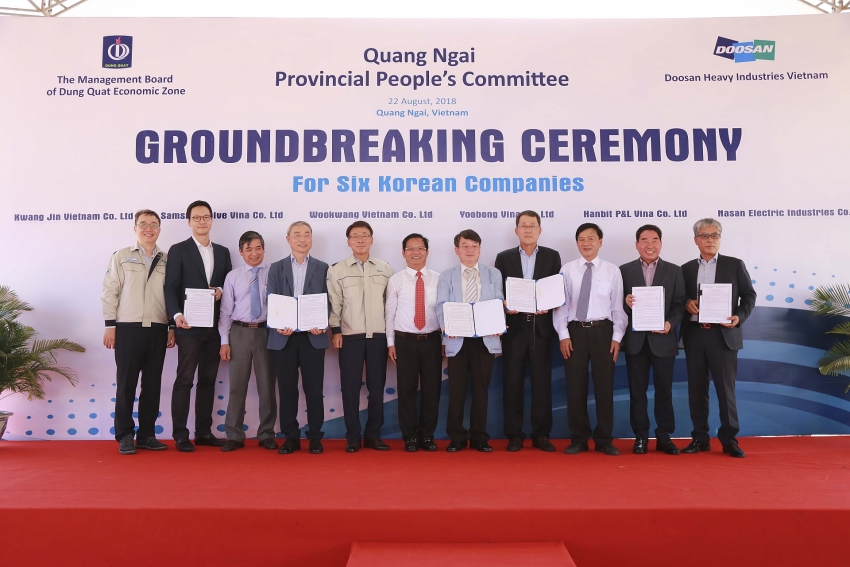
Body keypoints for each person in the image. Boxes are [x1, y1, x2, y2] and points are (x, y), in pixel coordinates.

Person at [101, 209, 175, 455]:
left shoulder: (167, 259)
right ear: (135, 228)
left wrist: (171, 327)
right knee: (126, 385)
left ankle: (146, 435)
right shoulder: (121, 256)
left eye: (153, 224)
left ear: (159, 229)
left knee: (152, 386)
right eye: (143, 224)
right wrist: (110, 326)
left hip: (158, 328)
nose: (148, 228)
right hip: (128, 328)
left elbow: (172, 295)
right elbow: (110, 291)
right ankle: (124, 435)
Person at [680, 218, 756, 458]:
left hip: (723, 336)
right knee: (696, 390)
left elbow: (749, 295)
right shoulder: (686, 269)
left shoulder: (734, 264)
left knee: (725, 391)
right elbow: (679, 299)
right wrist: (686, 303)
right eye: (704, 235)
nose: (710, 240)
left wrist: (738, 317)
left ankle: (729, 440)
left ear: (720, 239)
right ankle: (699, 438)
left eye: (715, 235)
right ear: (696, 240)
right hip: (695, 334)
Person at [553, 223, 628, 456]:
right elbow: (561, 306)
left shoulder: (612, 271)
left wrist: (617, 337)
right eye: (582, 239)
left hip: (603, 332)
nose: (586, 243)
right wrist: (563, 334)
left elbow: (618, 308)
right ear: (577, 243)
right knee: (575, 387)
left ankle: (604, 439)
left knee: (604, 387)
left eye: (591, 238)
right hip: (575, 332)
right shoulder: (567, 270)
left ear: (600, 242)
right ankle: (579, 438)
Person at [165, 200, 232, 452]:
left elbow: (228, 285)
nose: (202, 221)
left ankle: (203, 432)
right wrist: (176, 316)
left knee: (208, 380)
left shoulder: (223, 252)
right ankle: (180, 434)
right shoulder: (178, 250)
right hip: (188, 326)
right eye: (196, 217)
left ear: (212, 220)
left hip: (214, 327)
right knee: (184, 380)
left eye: (206, 217)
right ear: (189, 221)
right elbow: (171, 287)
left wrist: (221, 290)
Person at [494, 210, 562, 452]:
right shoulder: (504, 258)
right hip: (515, 327)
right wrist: (505, 305)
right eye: (523, 225)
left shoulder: (552, 256)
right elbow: (498, 292)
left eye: (532, 225)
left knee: (542, 384)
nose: (528, 229)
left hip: (541, 328)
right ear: (516, 230)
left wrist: (549, 303)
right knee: (512, 383)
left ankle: (541, 434)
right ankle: (514, 435)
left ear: (540, 230)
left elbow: (556, 290)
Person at [327, 221, 394, 452]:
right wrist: (336, 330)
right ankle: (353, 437)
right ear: (348, 242)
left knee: (377, 388)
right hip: (349, 337)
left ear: (371, 239)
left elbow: (390, 306)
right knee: (350, 388)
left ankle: (374, 435)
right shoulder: (337, 270)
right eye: (355, 236)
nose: (360, 240)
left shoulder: (385, 269)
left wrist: (391, 338)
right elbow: (335, 303)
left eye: (365, 235)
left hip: (378, 337)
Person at [620, 225, 686, 455]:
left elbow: (680, 304)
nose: (650, 245)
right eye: (644, 240)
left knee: (664, 391)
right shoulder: (624, 271)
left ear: (661, 243)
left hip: (663, 340)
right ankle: (640, 436)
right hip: (635, 342)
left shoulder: (674, 271)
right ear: (637, 244)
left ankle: (664, 436)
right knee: (637, 392)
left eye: (655, 240)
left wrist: (670, 323)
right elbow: (616, 305)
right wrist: (625, 302)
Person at [437, 229, 505, 453]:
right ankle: (456, 437)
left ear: (480, 249)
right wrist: (446, 326)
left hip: (485, 340)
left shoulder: (493, 273)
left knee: (481, 391)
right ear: (456, 250)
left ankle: (479, 437)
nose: (469, 250)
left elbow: (498, 301)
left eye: (474, 246)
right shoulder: (447, 276)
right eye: (465, 246)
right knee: (456, 391)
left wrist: (499, 321)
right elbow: (441, 304)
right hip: (457, 339)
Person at [267, 221, 330, 455]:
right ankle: (290, 437)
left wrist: (322, 324)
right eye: (297, 235)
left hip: (312, 337)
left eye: (306, 235)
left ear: (311, 239)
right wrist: (278, 323)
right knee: (287, 389)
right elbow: (271, 298)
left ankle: (315, 437)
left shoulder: (323, 268)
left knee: (314, 389)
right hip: (284, 337)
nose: (302, 239)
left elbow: (329, 300)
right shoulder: (276, 267)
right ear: (288, 239)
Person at [218, 231, 277, 453]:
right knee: (237, 386)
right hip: (239, 332)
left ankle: (267, 433)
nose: (254, 253)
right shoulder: (232, 276)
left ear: (264, 249)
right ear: (241, 252)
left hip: (266, 332)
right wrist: (224, 341)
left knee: (267, 386)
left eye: (258, 248)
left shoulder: (274, 273)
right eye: (249, 249)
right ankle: (234, 434)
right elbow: (225, 312)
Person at [385, 233, 442, 452]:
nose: (415, 252)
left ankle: (427, 436)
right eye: (410, 249)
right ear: (403, 253)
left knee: (431, 390)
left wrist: (445, 341)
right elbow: (389, 314)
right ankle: (409, 437)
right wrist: (390, 343)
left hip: (432, 340)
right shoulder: (396, 280)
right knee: (406, 390)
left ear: (427, 252)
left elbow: (444, 311)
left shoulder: (439, 279)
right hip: (404, 341)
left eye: (420, 248)